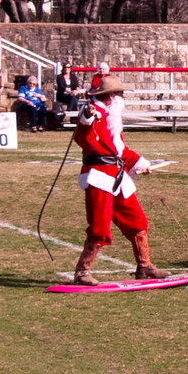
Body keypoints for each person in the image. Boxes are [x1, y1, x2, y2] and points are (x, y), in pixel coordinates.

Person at [72, 75, 170, 285]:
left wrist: (140, 163)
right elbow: (83, 136)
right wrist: (86, 117)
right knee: (99, 227)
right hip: (99, 176)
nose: (123, 98)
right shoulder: (94, 113)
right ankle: (82, 271)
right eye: (120, 94)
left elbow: (120, 151)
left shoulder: (111, 118)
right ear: (110, 97)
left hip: (117, 175)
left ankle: (144, 267)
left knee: (137, 221)